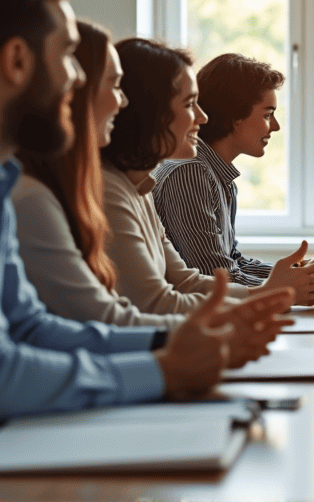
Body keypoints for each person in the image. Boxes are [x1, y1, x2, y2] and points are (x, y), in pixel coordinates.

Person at [0, 0, 292, 495]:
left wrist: (176, 341)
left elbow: (31, 327)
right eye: (66, 57)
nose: (76, 83)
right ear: (16, 61)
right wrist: (163, 369)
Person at [101, 38, 314, 314]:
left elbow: (190, 280)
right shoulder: (186, 173)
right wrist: (275, 292)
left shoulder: (140, 188)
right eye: (190, 104)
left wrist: (285, 283)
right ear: (153, 112)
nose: (202, 117)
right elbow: (175, 292)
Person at [12, 20, 185, 327]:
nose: (123, 101)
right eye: (114, 84)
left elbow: (104, 311)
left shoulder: (74, 189)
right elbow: (110, 317)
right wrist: (225, 323)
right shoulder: (33, 198)